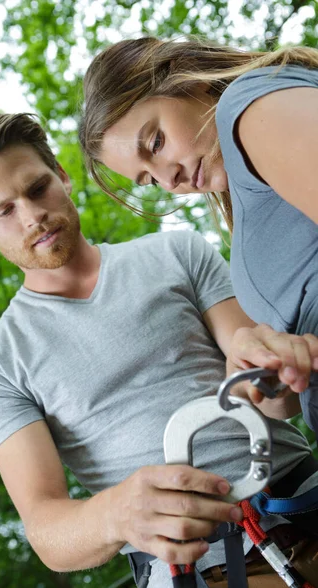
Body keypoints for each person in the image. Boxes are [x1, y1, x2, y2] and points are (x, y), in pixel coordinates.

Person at [0, 112, 318, 588]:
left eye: (36, 189)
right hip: (195, 573)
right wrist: (117, 512)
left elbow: (267, 394)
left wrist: (273, 372)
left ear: (63, 177)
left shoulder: (177, 253)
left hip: (301, 498)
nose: (32, 215)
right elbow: (48, 532)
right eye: (3, 211)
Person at [79, 36, 318, 437]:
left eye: (155, 142)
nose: (167, 180)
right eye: (148, 180)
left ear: (190, 81)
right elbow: (288, 402)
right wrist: (261, 369)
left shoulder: (245, 107)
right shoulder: (246, 199)